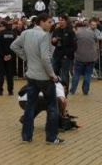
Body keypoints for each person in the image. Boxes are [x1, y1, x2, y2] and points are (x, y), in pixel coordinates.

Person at [11, 13, 63, 145]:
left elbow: (14, 46)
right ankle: (51, 138)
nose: (51, 24)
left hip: (31, 75)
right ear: (41, 22)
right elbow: (45, 58)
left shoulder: (26, 33)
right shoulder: (44, 36)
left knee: (30, 106)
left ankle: (26, 136)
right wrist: (52, 75)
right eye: (49, 22)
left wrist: (26, 58)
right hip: (44, 77)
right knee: (52, 107)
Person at [71, 20, 100, 95]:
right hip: (91, 57)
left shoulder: (77, 33)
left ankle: (72, 90)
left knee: (76, 74)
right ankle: (85, 91)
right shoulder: (91, 32)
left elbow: (73, 44)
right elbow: (96, 41)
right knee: (88, 74)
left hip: (80, 56)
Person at [0, 20, 18, 95]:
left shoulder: (0, 34)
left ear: (4, 26)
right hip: (10, 57)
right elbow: (15, 46)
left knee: (0, 74)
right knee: (9, 74)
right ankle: (10, 91)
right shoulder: (14, 34)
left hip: (1, 57)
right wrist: (10, 55)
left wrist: (3, 55)